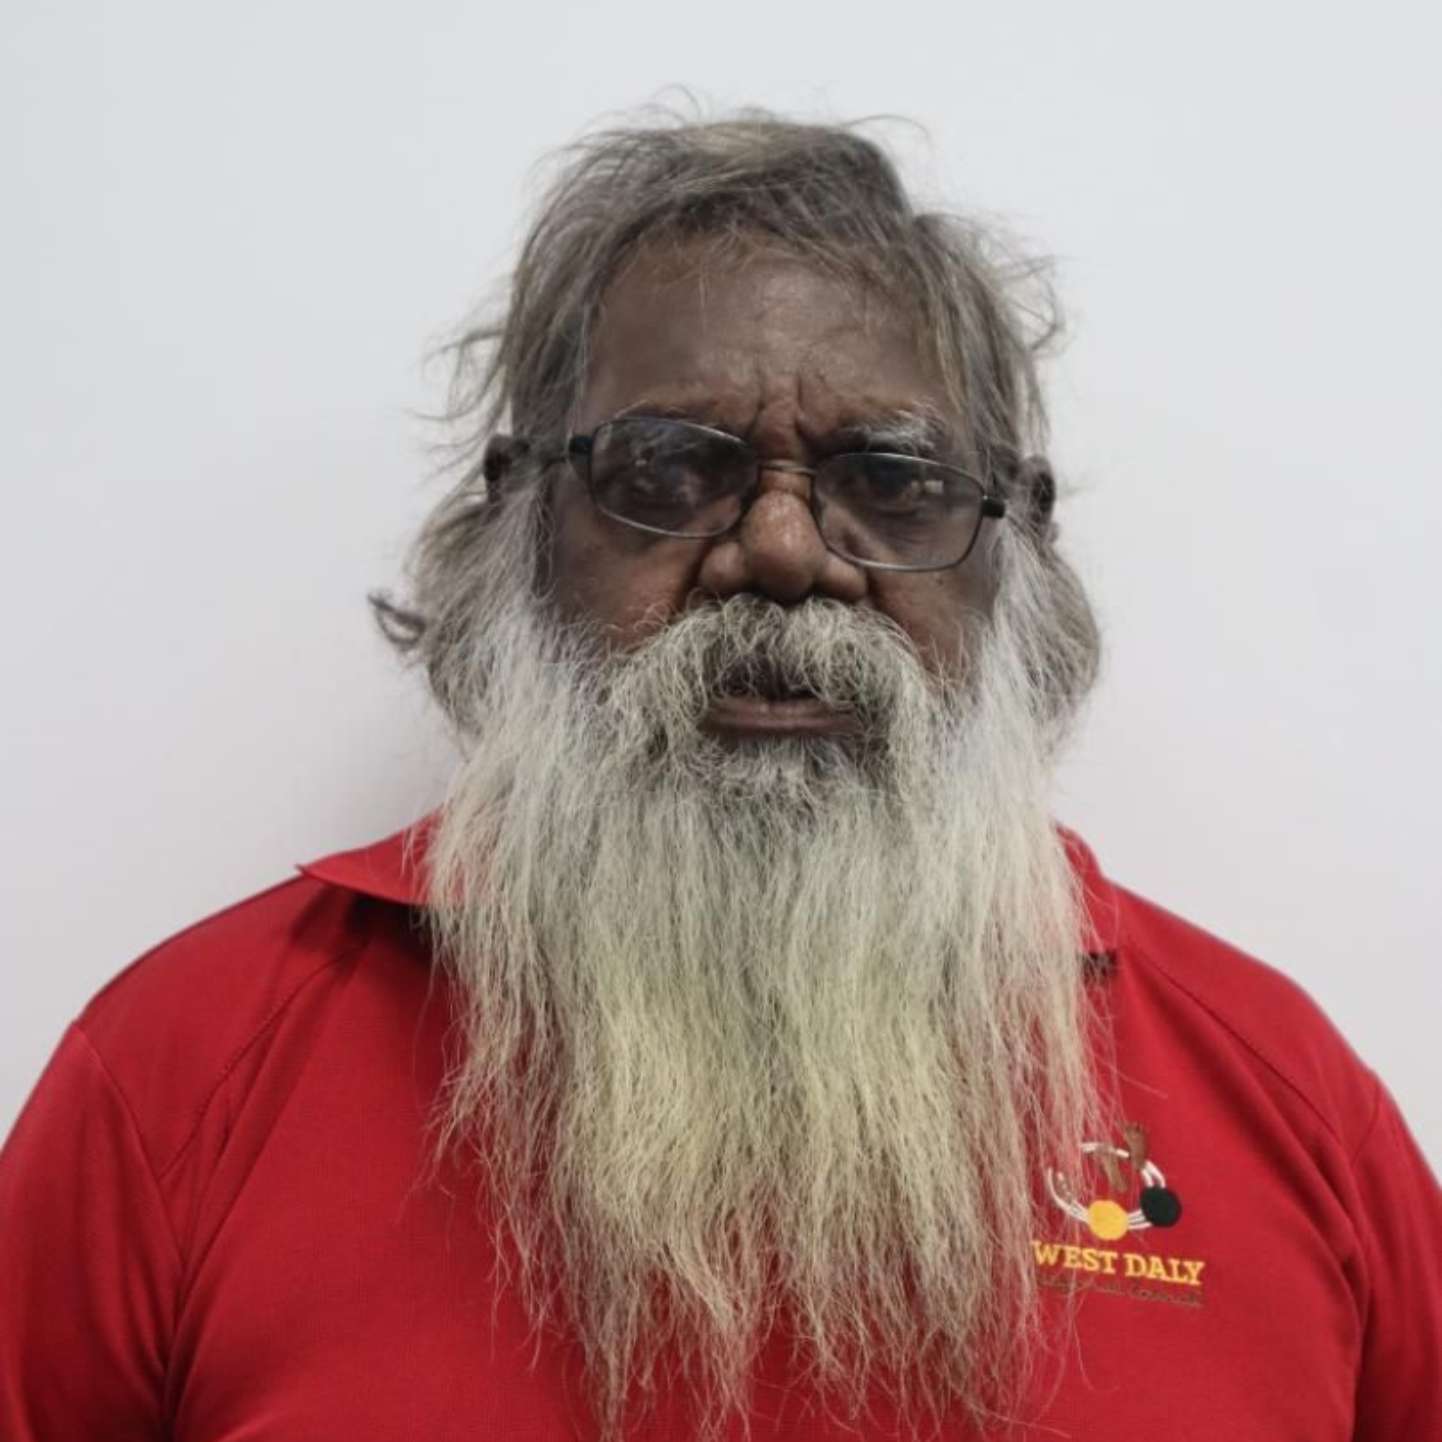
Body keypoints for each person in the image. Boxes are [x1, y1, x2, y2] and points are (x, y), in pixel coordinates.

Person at [1, 111, 1438, 1442]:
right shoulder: (185, 1073)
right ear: (518, 517)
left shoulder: (1280, 1095)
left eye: (890, 476)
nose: (784, 551)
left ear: (1015, 541)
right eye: (670, 467)